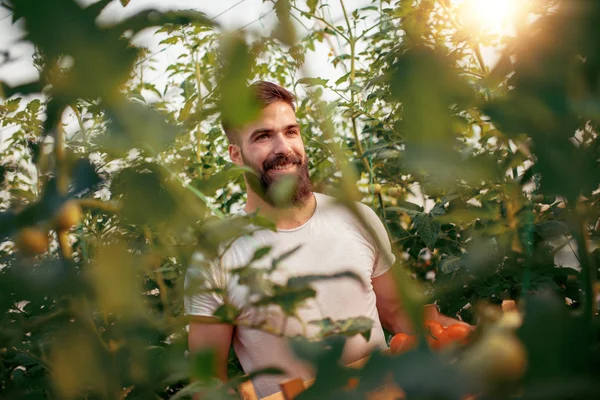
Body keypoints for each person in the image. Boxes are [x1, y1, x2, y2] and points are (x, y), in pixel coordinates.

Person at [184, 81, 467, 398]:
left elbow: (397, 313)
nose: (284, 148)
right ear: (235, 154)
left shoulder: (354, 217)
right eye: (263, 136)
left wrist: (466, 338)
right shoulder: (217, 255)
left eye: (291, 131)